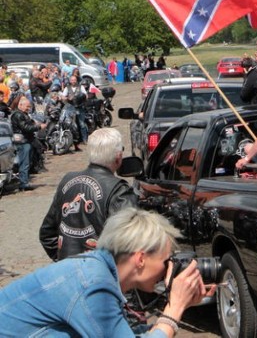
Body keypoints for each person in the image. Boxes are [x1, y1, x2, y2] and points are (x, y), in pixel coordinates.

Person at [0, 207, 216, 337]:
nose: (168, 268)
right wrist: (174, 309)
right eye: (165, 260)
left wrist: (182, 303)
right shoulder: (93, 283)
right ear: (140, 258)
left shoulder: (97, 270)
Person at [39, 128, 138, 261]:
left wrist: (62, 261)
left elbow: (47, 234)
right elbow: (129, 242)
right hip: (101, 276)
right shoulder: (119, 190)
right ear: (118, 156)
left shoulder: (67, 180)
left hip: (69, 273)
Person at [10, 97, 46, 190]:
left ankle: (24, 181)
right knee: (24, 163)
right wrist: (38, 127)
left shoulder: (23, 114)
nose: (28, 108)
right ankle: (23, 184)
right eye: (27, 106)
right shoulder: (18, 115)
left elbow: (28, 124)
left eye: (29, 106)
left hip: (26, 140)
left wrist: (35, 123)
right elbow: (25, 127)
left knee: (27, 162)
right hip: (22, 141)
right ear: (20, 105)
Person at [62, 75, 88, 149]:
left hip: (80, 107)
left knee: (82, 124)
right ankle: (72, 141)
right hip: (71, 108)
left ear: (76, 80)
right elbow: (63, 96)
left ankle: (85, 139)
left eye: (74, 80)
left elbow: (86, 95)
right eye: (72, 80)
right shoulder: (67, 88)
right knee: (70, 124)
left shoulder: (81, 87)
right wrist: (67, 98)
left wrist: (82, 98)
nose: (73, 81)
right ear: (70, 81)